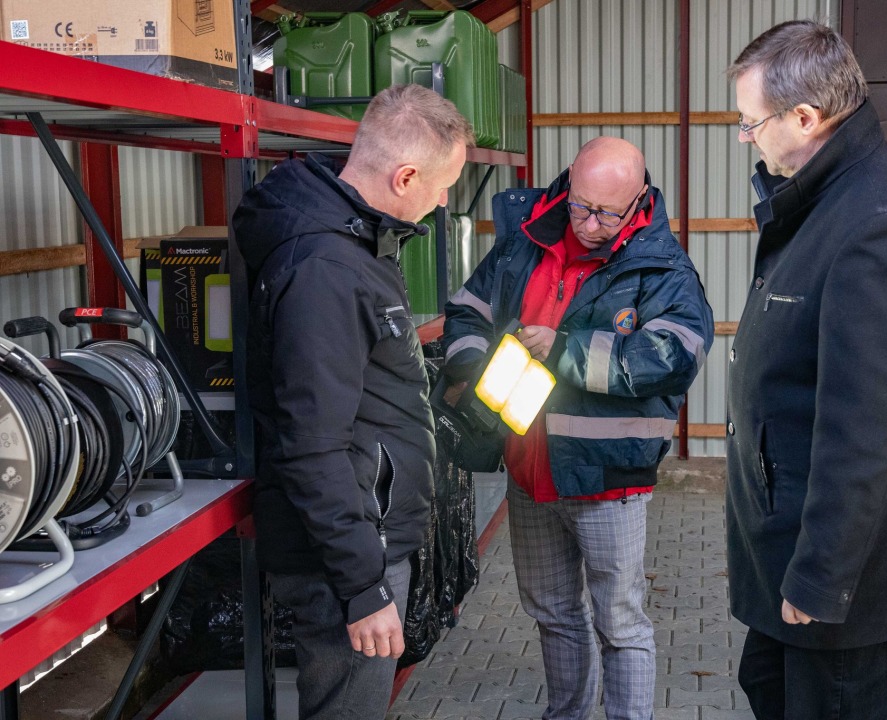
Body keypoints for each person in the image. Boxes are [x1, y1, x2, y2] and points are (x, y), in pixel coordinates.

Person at [723, 20, 887, 720]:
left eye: (750, 123)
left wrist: (822, 577)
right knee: (768, 687)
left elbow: (868, 428)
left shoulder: (879, 222)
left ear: (805, 116)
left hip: (833, 576)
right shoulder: (824, 197)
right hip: (787, 540)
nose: (745, 138)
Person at [442, 136, 713, 720]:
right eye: (580, 206)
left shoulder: (662, 267)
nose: (589, 224)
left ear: (638, 199)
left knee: (620, 623)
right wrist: (471, 368)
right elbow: (467, 310)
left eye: (606, 214)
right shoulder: (526, 241)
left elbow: (675, 355)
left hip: (606, 480)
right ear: (568, 183)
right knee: (553, 613)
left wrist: (566, 350)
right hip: (528, 469)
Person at [232, 84, 473, 720]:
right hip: (345, 558)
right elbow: (313, 444)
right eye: (443, 186)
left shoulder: (356, 242)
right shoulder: (327, 271)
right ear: (406, 176)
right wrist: (363, 586)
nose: (443, 201)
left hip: (363, 537)